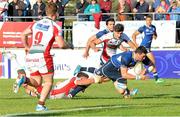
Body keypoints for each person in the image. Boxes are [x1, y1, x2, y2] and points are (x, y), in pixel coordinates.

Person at [17, 2, 71, 111]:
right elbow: (61, 44)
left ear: (46, 12)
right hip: (43, 54)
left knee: (37, 82)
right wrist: (69, 45)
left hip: (32, 53)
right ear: (55, 14)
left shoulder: (36, 23)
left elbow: (23, 34)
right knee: (48, 82)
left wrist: (27, 47)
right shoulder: (55, 26)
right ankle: (40, 105)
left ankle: (24, 79)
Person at [78, 46, 149, 98]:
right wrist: (139, 77)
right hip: (109, 68)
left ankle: (127, 94)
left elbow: (151, 65)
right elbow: (124, 74)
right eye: (143, 56)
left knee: (121, 90)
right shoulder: (127, 57)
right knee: (96, 79)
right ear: (138, 54)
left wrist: (147, 70)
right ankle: (76, 82)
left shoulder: (140, 58)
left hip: (116, 70)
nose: (144, 58)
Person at [14, 69, 90, 99]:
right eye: (85, 78)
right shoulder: (76, 80)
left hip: (54, 91)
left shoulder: (72, 79)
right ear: (81, 77)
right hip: (54, 93)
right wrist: (94, 80)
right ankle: (24, 79)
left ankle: (22, 80)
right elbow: (88, 81)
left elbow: (61, 83)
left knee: (33, 88)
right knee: (36, 85)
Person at [132, 15, 164, 84]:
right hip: (143, 48)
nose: (149, 21)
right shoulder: (143, 28)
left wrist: (155, 36)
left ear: (151, 21)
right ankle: (149, 76)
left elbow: (155, 35)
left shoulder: (153, 27)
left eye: (150, 20)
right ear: (145, 21)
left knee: (151, 63)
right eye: (147, 20)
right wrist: (136, 45)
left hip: (148, 48)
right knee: (152, 62)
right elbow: (133, 35)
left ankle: (155, 78)